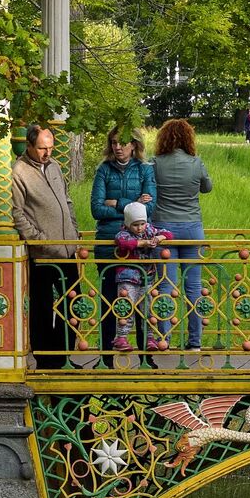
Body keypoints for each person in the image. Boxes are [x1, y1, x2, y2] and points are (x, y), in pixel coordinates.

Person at [11, 125, 81, 369]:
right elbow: (16, 212)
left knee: (73, 304)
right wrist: (39, 239)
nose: (46, 153)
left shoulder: (54, 166)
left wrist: (74, 230)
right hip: (42, 254)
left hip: (67, 249)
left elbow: (67, 199)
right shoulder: (19, 171)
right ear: (29, 146)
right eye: (42, 148)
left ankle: (63, 359)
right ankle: (45, 360)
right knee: (41, 309)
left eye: (50, 148)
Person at [91, 126, 156, 356]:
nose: (118, 147)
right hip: (109, 244)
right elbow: (96, 209)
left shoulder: (144, 170)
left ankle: (146, 360)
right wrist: (131, 205)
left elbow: (148, 208)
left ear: (134, 145)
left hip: (140, 248)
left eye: (123, 143)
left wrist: (115, 202)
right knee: (109, 302)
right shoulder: (104, 170)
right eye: (114, 142)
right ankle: (106, 358)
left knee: (142, 303)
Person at [152, 118, 213, 352]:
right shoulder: (196, 163)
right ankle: (195, 342)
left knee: (165, 285)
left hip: (163, 229)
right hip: (192, 228)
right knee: (194, 287)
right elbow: (207, 188)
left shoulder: (156, 163)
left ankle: (163, 340)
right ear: (189, 139)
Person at [109, 202, 174, 353]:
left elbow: (169, 234)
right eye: (135, 225)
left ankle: (149, 337)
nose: (139, 228)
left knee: (149, 309)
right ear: (127, 223)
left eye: (142, 224)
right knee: (126, 306)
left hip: (147, 277)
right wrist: (142, 242)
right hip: (128, 277)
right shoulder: (124, 232)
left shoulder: (149, 230)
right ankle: (121, 337)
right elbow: (123, 242)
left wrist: (159, 238)